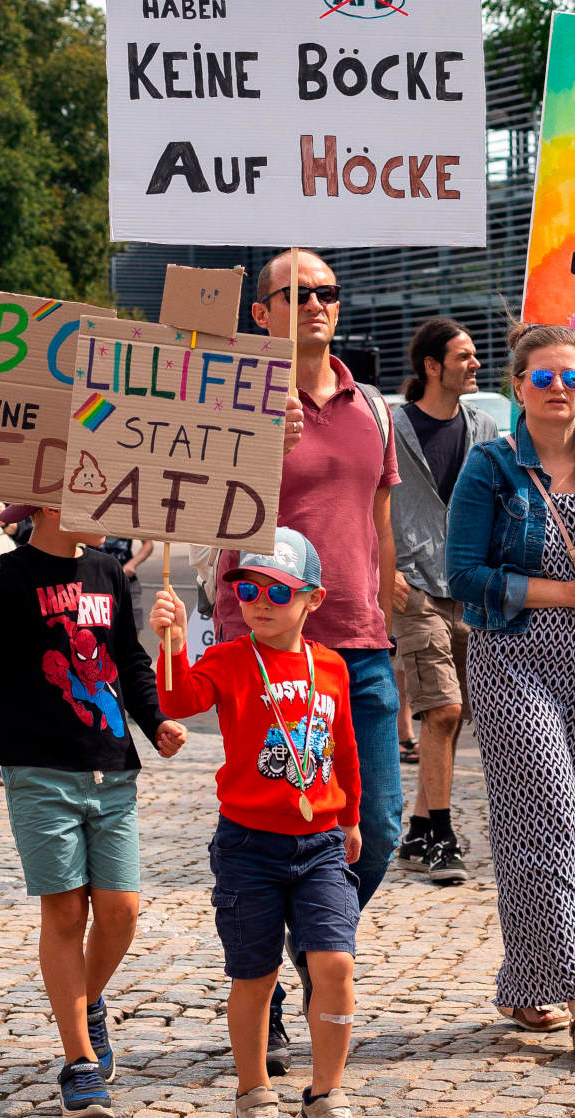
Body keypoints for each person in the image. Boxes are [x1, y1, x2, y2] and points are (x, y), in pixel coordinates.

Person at [0, 504, 185, 1118]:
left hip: (111, 764)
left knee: (120, 912)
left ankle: (84, 1001)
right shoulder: (3, 573)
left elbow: (131, 662)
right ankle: (80, 1061)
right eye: (99, 503)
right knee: (65, 911)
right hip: (38, 772)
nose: (113, 516)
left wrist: (157, 721)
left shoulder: (111, 571)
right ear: (50, 504)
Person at [446, 324, 575, 1054]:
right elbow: (462, 577)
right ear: (519, 388)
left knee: (548, 829)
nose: (560, 388)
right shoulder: (491, 467)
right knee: (548, 814)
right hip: (512, 658)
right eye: (544, 378)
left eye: (572, 377)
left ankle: (522, 987)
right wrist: (563, 593)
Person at [225, 249, 403, 1068]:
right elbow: (207, 505)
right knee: (272, 826)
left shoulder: (370, 402)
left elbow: (377, 513)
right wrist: (257, 442)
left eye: (326, 292)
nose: (314, 305)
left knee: (381, 829)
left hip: (360, 642)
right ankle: (266, 970)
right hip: (270, 648)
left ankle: (309, 937)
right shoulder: (234, 400)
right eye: (295, 294)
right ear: (260, 312)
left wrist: (387, 591)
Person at [149, 529, 361, 1118]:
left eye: (278, 591)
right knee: (255, 974)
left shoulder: (332, 668)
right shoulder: (230, 658)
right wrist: (169, 641)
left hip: (319, 840)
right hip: (248, 844)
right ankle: (252, 1089)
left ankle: (327, 1089)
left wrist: (352, 818)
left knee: (335, 962)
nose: (260, 602)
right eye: (247, 589)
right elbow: (177, 699)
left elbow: (344, 750)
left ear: (313, 599)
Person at [386, 318, 499, 884]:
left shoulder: (483, 427)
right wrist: (387, 570)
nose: (475, 363)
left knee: (453, 718)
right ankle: (442, 836)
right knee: (442, 709)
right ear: (432, 366)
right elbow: (366, 497)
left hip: (469, 587)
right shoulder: (392, 424)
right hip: (414, 586)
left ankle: (418, 830)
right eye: (465, 355)